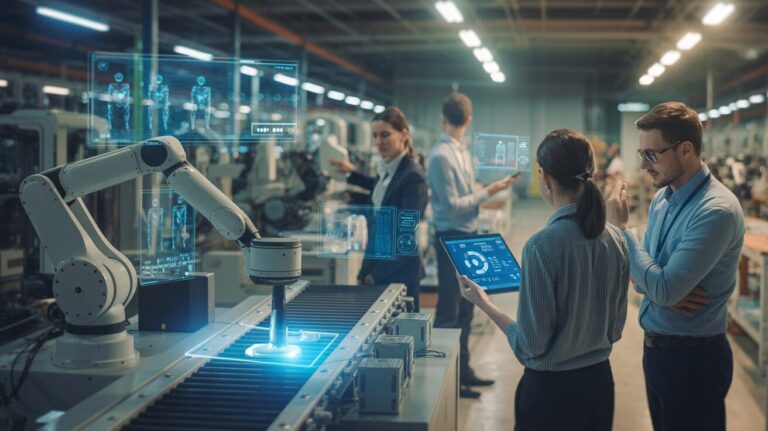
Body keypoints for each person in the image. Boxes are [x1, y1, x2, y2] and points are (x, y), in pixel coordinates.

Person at [458, 129, 629, 430]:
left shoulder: (542, 247)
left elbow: (531, 345)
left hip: (551, 397)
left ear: (545, 178)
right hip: (599, 387)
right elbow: (615, 330)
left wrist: (484, 304)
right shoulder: (617, 239)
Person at [606, 101, 745, 431]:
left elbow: (660, 285)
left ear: (685, 149)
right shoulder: (663, 198)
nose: (643, 165)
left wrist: (622, 231)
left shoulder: (716, 211)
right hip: (659, 352)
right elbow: (644, 283)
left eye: (651, 154)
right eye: (642, 154)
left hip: (694, 360)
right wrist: (660, 289)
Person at [427, 92, 515, 398]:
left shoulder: (463, 153)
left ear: (443, 118)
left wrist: (486, 190)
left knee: (467, 308)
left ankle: (463, 373)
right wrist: (487, 191)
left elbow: (465, 195)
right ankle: (444, 381)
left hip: (467, 235)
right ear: (469, 120)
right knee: (449, 311)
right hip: (451, 237)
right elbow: (452, 207)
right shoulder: (440, 156)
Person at [330, 107, 428, 310]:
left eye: (385, 135)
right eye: (375, 135)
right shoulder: (389, 168)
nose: (378, 142)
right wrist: (351, 174)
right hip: (379, 260)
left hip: (399, 271)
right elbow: (381, 192)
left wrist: (374, 275)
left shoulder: (413, 177)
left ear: (404, 135)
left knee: (401, 335)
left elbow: (405, 238)